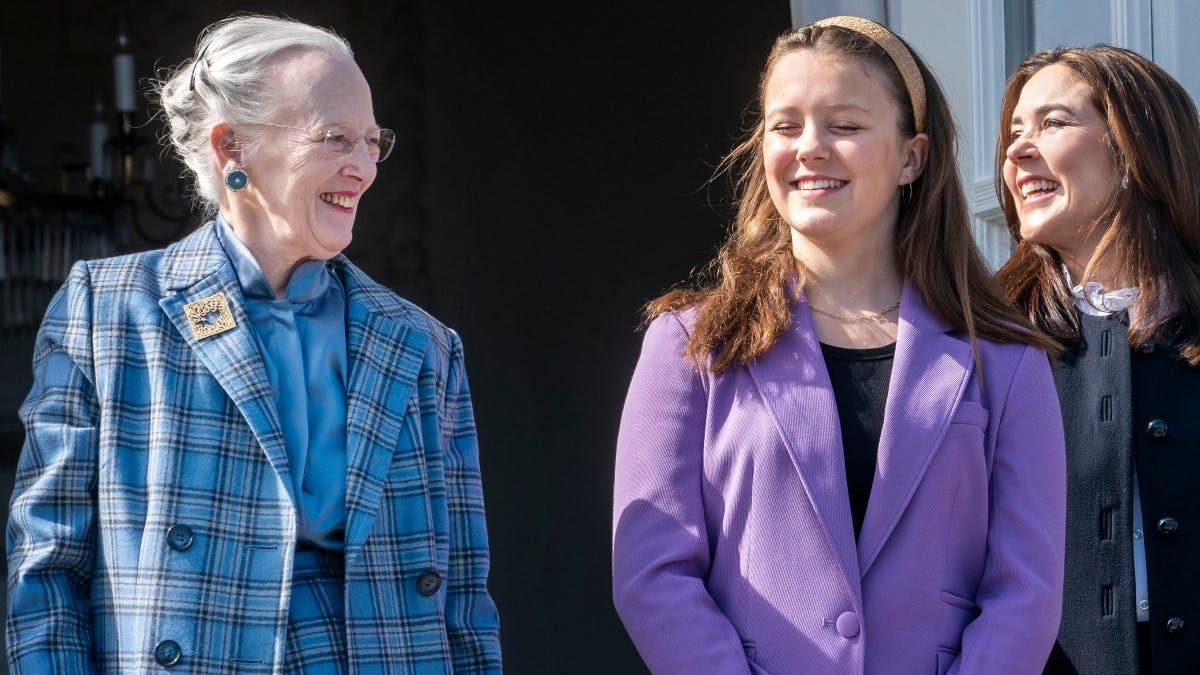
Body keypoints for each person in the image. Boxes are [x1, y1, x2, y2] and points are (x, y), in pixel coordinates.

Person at [5, 14, 501, 673]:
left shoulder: (423, 344)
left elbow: (465, 602)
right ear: (230, 148)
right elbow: (46, 568)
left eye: (372, 142)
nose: (362, 167)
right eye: (333, 138)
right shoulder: (109, 311)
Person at [612, 16, 1066, 674]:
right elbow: (653, 575)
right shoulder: (687, 345)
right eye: (785, 125)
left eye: (845, 125)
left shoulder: (1006, 360)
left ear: (912, 155)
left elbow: (1025, 591)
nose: (810, 148)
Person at [997, 45, 1200, 674]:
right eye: (1014, 133)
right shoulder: (989, 345)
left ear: (1138, 145)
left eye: (1053, 123)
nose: (1016, 152)